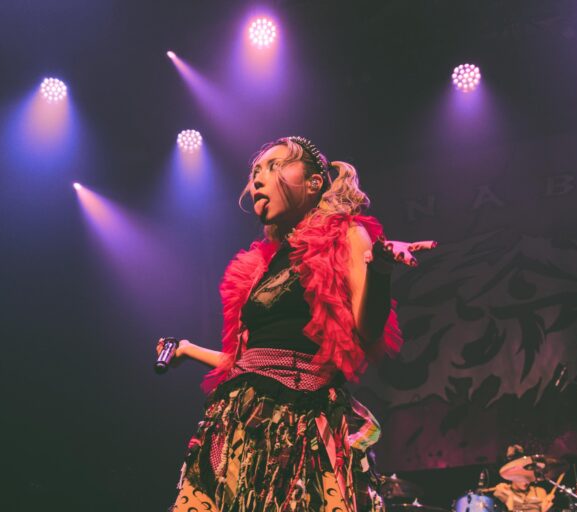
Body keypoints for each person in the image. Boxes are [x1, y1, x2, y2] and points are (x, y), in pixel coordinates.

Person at [157, 136, 437, 512]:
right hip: (239, 419)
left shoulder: (347, 235)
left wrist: (381, 271)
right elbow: (246, 363)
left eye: (274, 166)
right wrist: (188, 349)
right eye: (255, 171)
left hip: (298, 420)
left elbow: (367, 330)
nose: (258, 178)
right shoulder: (259, 267)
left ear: (314, 183)